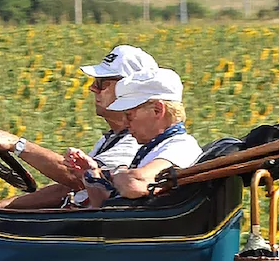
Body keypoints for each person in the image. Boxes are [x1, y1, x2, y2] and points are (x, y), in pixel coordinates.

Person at [0, 45, 158, 209]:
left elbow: (77, 180)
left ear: (129, 90)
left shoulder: (134, 143)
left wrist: (16, 144)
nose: (93, 88)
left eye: (102, 83)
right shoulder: (111, 138)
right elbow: (67, 189)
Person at [68, 67, 201, 206]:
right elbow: (104, 206)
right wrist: (92, 174)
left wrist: (118, 172)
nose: (125, 122)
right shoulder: (154, 147)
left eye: (129, 115)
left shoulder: (181, 147)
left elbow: (134, 184)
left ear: (157, 110)